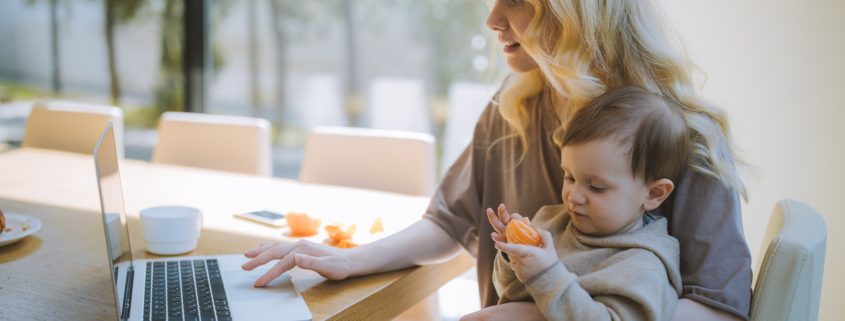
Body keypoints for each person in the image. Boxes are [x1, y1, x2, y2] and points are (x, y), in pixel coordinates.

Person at [242, 0, 752, 320]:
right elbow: (450, 221)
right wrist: (351, 259)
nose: (491, 19)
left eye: (517, 1)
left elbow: (717, 305)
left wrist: (545, 312)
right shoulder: (512, 106)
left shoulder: (682, 135)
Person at [488, 86, 687, 321]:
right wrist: (513, 256)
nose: (574, 196)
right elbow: (508, 294)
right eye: (570, 177)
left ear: (654, 193)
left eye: (596, 187)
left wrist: (546, 275)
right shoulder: (552, 222)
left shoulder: (643, 267)